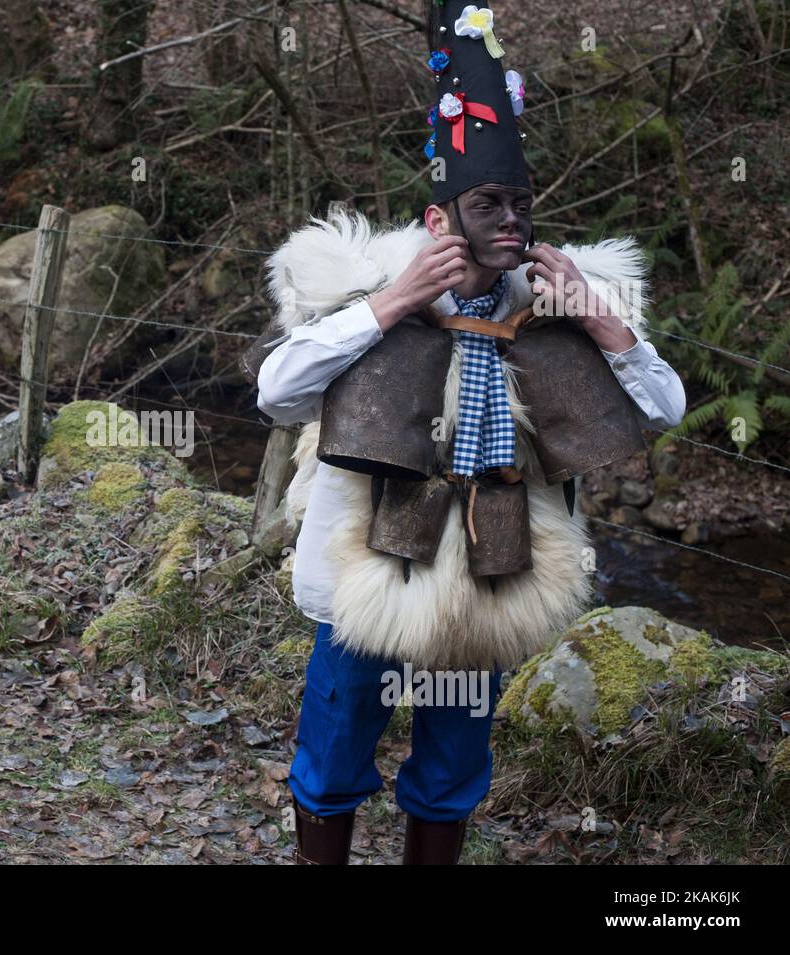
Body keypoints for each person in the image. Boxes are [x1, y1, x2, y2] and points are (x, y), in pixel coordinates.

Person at [254, 0, 687, 864]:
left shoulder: (552, 305)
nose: (512, 221)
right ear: (439, 219)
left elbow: (664, 409)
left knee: (454, 756)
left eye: (520, 203)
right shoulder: (368, 292)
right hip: (364, 579)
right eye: (488, 202)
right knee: (336, 743)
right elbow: (277, 393)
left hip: (493, 571)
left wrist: (600, 320)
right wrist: (393, 305)